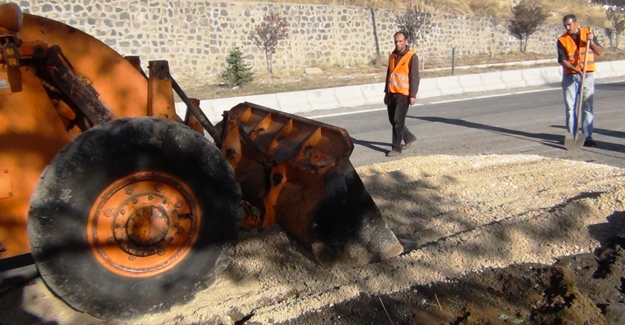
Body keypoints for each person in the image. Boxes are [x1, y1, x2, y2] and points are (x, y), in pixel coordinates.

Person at [558, 14, 602, 147]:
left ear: (576, 23)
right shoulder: (562, 39)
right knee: (570, 107)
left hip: (587, 75)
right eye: (565, 25)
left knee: (587, 106)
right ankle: (571, 135)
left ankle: (588, 136)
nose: (567, 27)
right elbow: (562, 60)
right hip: (570, 75)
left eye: (569, 24)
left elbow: (599, 52)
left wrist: (592, 42)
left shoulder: (587, 34)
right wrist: (575, 69)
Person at [383, 31, 420, 157]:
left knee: (398, 120)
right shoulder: (392, 56)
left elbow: (415, 77)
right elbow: (389, 75)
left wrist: (413, 95)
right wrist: (386, 92)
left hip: (404, 93)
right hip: (392, 92)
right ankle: (408, 137)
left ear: (406, 41)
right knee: (392, 120)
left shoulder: (411, 56)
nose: (398, 44)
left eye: (400, 41)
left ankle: (396, 148)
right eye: (396, 41)